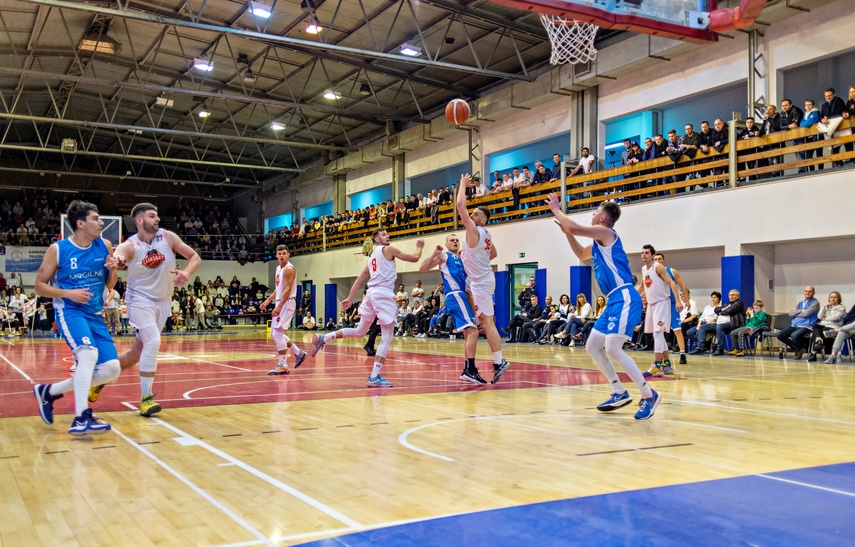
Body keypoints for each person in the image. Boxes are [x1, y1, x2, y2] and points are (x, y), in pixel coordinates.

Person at [546, 193, 660, 420]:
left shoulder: (607, 233)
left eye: (595, 211)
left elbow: (574, 226)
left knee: (613, 347)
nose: (592, 214)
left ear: (603, 218)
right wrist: (568, 233)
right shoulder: (598, 243)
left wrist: (557, 210)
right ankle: (618, 391)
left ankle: (649, 394)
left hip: (625, 296)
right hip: (613, 300)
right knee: (592, 345)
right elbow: (579, 252)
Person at [89, 203, 201, 417]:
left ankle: (100, 377)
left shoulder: (168, 237)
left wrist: (187, 272)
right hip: (139, 299)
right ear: (139, 220)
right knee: (153, 341)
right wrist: (118, 259)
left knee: (135, 354)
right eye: (152, 216)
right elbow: (120, 253)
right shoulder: (131, 245)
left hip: (163, 301)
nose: (157, 219)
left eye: (157, 215)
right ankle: (146, 399)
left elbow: (194, 257)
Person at [32, 200, 122, 435]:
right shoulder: (59, 249)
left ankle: (48, 392)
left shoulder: (106, 245)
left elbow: (110, 284)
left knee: (112, 369)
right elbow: (39, 287)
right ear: (81, 223)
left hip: (94, 314)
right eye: (96, 218)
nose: (102, 222)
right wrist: (67, 293)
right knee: (88, 354)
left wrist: (113, 269)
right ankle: (81, 417)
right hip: (70, 311)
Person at [309, 230, 424, 387]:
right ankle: (374, 376)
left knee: (359, 331)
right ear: (377, 240)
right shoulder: (388, 249)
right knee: (387, 337)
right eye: (383, 235)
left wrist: (350, 298)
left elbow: (359, 278)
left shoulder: (372, 259)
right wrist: (420, 247)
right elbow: (414, 258)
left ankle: (324, 338)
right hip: (383, 294)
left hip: (371, 294)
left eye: (387, 234)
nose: (387, 236)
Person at [458, 174, 509, 384]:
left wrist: (462, 186)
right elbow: (493, 254)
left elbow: (461, 206)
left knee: (487, 323)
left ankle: (499, 361)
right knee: (483, 323)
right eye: (473, 212)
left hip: (481, 281)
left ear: (483, 220)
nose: (472, 213)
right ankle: (486, 363)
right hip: (483, 278)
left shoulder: (476, 229)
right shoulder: (486, 233)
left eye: (476, 213)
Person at [419, 234, 483, 383]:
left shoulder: (461, 259)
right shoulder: (444, 255)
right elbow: (422, 268)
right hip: (454, 295)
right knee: (473, 331)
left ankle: (467, 368)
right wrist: (433, 254)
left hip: (463, 296)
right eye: (451, 240)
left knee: (469, 333)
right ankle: (471, 369)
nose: (454, 242)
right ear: (446, 244)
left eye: (456, 240)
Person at [259, 244, 308, 375]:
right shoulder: (278, 269)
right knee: (275, 333)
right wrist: (268, 300)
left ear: (288, 254)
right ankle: (298, 353)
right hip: (280, 301)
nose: (281, 256)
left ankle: (283, 365)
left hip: (287, 302)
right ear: (276, 255)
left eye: (284, 253)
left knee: (277, 333)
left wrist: (279, 306)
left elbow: (287, 289)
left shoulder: (289, 269)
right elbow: (279, 288)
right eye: (279, 253)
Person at [639, 245, 683, 377]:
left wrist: (678, 300)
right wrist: (632, 298)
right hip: (652, 305)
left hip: (662, 303)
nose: (644, 255)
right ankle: (667, 365)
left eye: (647, 253)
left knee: (657, 334)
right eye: (642, 253)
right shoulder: (643, 269)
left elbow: (671, 283)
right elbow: (642, 286)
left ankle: (657, 365)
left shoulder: (658, 267)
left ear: (652, 255)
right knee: (657, 334)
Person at [652, 253, 690, 364]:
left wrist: (685, 300)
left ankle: (682, 353)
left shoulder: (672, 271)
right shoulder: (651, 272)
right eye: (655, 259)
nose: (657, 260)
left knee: (677, 330)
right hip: (659, 305)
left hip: (672, 304)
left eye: (659, 259)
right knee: (659, 331)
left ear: (664, 261)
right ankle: (664, 357)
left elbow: (682, 285)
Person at [775, 286, 819, 360]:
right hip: (795, 325)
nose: (807, 293)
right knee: (780, 335)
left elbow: (806, 314)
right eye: (806, 291)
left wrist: (797, 312)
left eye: (809, 291)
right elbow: (791, 314)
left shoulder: (815, 303)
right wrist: (801, 310)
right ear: (803, 292)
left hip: (806, 326)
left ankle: (799, 349)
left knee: (794, 335)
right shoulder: (800, 303)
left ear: (813, 293)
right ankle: (799, 349)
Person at [807, 291, 845, 361]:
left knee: (817, 332)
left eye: (835, 297)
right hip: (823, 325)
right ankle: (819, 340)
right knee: (814, 325)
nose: (833, 299)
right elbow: (819, 316)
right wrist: (824, 307)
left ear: (838, 299)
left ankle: (814, 353)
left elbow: (835, 318)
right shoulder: (827, 307)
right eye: (831, 297)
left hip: (833, 326)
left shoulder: (841, 308)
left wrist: (825, 318)